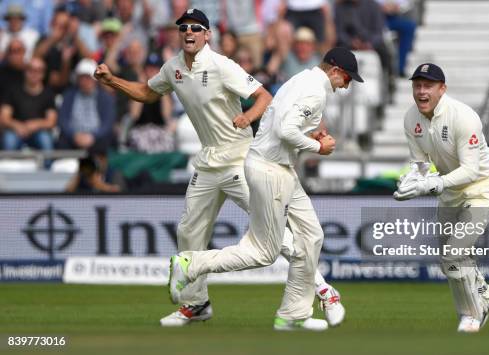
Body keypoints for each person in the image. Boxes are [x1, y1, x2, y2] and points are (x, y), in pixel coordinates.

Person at [94, 8, 345, 328]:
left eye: (196, 28)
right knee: (189, 232)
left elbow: (263, 96)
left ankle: (324, 290)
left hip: (240, 158)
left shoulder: (222, 65)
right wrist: (111, 79)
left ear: (207, 34)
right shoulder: (172, 68)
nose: (189, 32)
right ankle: (196, 305)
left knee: (274, 236)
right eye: (184, 27)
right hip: (208, 161)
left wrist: (247, 117)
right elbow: (146, 92)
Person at [168, 47, 363, 331]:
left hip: (279, 167)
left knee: (311, 235)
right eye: (346, 79)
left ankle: (293, 314)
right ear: (335, 71)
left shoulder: (302, 79)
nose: (345, 86)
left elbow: (284, 126)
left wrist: (309, 135)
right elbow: (285, 130)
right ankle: (190, 264)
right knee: (262, 252)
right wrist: (318, 146)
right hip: (270, 170)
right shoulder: (315, 91)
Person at [393, 63, 489, 332]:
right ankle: (488, 295)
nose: (421, 91)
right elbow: (419, 163)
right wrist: (410, 180)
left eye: (428, 86)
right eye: (417, 85)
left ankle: (471, 314)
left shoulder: (463, 117)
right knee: (449, 259)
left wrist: (431, 185)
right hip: (450, 191)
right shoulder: (411, 119)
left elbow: (471, 170)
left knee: (455, 254)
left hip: (483, 188)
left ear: (442, 89)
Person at [57, 58, 117, 153]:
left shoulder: (105, 97)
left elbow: (108, 123)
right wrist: (74, 135)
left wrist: (93, 136)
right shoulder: (69, 95)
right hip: (73, 137)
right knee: (61, 142)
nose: (85, 81)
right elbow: (62, 120)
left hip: (97, 137)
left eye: (88, 77)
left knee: (109, 140)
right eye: (82, 77)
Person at [0, 57, 56, 153]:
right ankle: (8, 168)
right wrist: (18, 126)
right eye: (31, 69)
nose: (34, 73)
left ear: (43, 74)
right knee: (9, 140)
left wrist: (35, 125)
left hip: (39, 131)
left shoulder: (48, 94)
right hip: (15, 131)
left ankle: (47, 167)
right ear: (25, 71)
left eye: (38, 70)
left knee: (45, 139)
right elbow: (4, 118)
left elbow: (51, 121)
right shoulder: (12, 90)